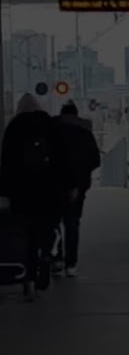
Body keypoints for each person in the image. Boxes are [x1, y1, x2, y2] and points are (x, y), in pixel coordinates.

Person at [0, 94, 78, 298]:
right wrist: (70, 187)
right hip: (50, 193)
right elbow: (64, 159)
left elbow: (6, 165)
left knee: (27, 236)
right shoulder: (51, 126)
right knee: (47, 231)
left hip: (22, 195)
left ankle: (29, 278)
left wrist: (6, 192)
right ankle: (45, 257)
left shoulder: (13, 129)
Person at [52, 101, 101, 277]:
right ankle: (71, 264)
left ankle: (56, 259)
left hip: (54, 186)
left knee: (54, 223)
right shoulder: (84, 133)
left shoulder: (52, 132)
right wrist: (81, 177)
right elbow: (96, 160)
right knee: (72, 224)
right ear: (76, 115)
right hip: (77, 188)